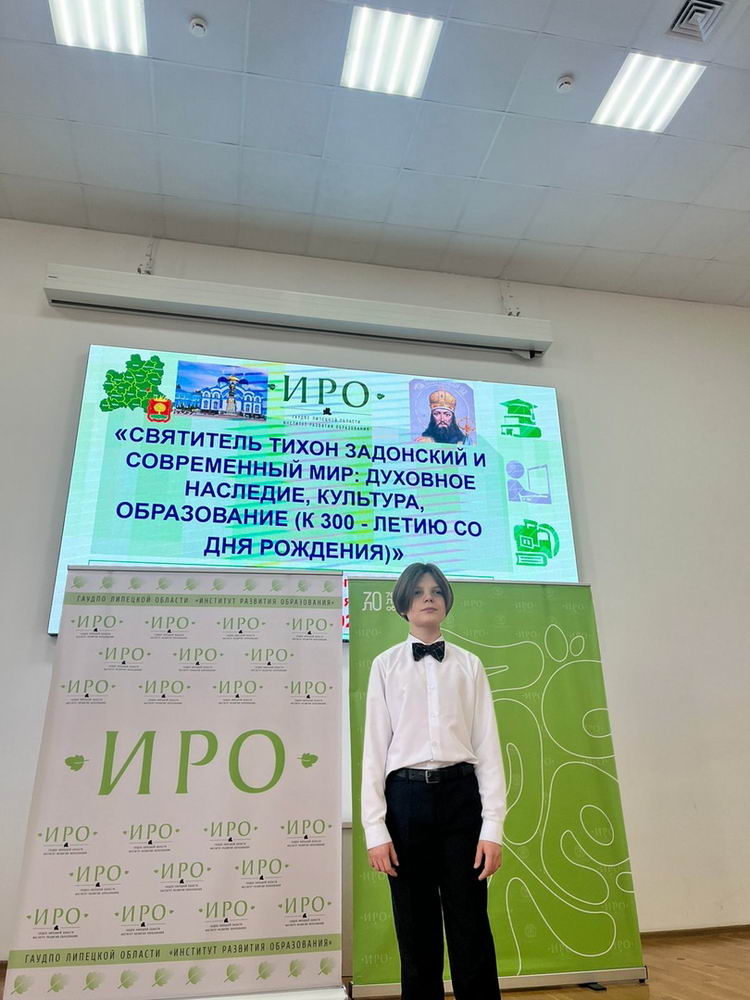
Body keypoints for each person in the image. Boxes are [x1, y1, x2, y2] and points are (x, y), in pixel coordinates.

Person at [361, 563, 506, 1000]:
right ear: (403, 605)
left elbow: (488, 748)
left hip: (462, 799)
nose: (429, 597)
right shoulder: (385, 666)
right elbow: (374, 750)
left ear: (446, 601)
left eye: (437, 590)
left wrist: (493, 828)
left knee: (470, 923)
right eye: (419, 591)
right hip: (405, 801)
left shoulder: (469, 665)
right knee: (415, 927)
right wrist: (375, 829)